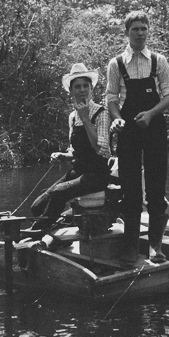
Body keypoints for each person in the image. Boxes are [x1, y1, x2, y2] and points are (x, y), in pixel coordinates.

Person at [107, 11, 169, 265]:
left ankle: (155, 247)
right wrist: (116, 118)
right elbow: (111, 99)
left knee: (157, 190)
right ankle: (129, 248)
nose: (140, 33)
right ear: (127, 32)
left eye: (144, 29)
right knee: (130, 192)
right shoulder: (116, 64)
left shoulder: (158, 61)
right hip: (127, 131)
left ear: (149, 31)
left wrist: (150, 114)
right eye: (135, 29)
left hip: (154, 127)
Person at [29, 63, 112, 231]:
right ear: (71, 91)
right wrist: (63, 155)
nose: (82, 90)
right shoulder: (73, 117)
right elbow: (75, 150)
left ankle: (36, 233)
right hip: (78, 171)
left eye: (85, 86)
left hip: (97, 175)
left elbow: (101, 150)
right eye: (77, 87)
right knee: (37, 206)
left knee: (59, 192)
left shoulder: (101, 113)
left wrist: (86, 119)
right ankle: (57, 228)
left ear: (91, 89)